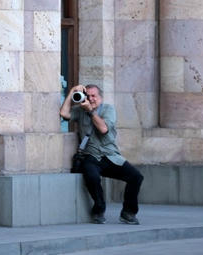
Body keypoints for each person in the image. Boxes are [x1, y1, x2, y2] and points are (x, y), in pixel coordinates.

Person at [60, 83, 143, 225]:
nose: (91, 99)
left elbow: (103, 129)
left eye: (94, 96)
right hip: (90, 155)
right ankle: (98, 210)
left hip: (110, 155)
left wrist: (91, 112)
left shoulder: (108, 109)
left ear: (100, 98)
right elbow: (64, 113)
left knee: (136, 177)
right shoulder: (80, 110)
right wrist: (72, 92)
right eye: (88, 96)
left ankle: (128, 212)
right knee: (92, 177)